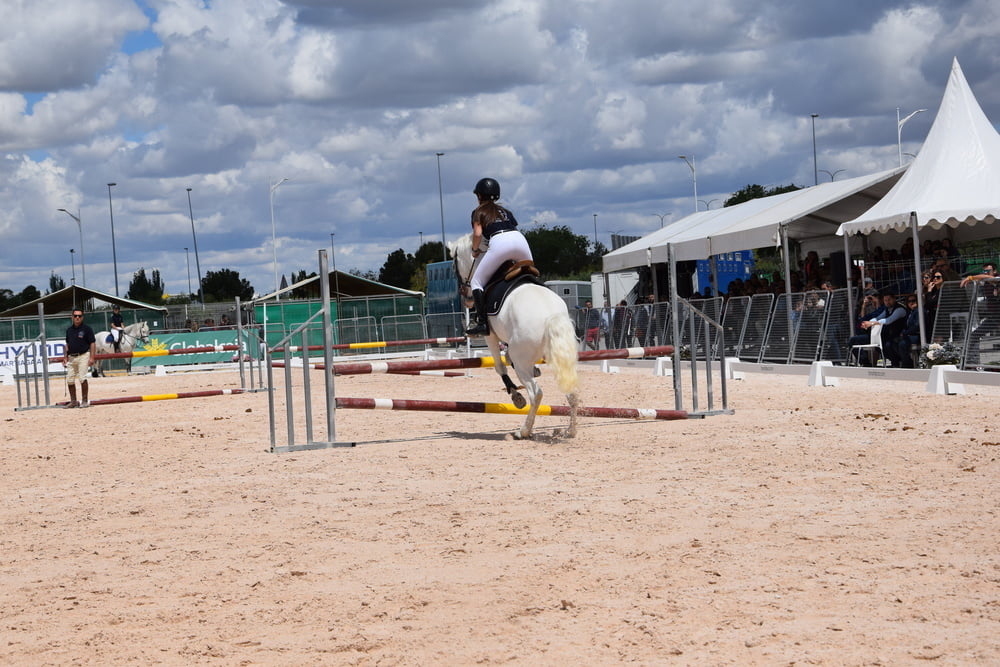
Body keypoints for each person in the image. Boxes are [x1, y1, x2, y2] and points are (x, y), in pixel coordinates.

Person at [465, 177, 533, 336]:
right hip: (520, 240)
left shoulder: (478, 212)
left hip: (499, 242)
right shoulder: (506, 212)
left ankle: (482, 323)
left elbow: (477, 234)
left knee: (476, 282)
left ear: (479, 196)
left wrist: (474, 250)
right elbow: (513, 228)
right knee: (531, 273)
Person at [63, 308, 96, 408]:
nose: (77, 317)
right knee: (69, 379)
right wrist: (65, 357)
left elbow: (92, 343)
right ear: (72, 317)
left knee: (82, 378)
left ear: (82, 317)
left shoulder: (87, 329)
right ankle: (73, 401)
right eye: (75, 316)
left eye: (79, 316)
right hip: (71, 357)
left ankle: (84, 401)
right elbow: (67, 344)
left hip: (83, 356)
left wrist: (92, 357)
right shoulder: (69, 330)